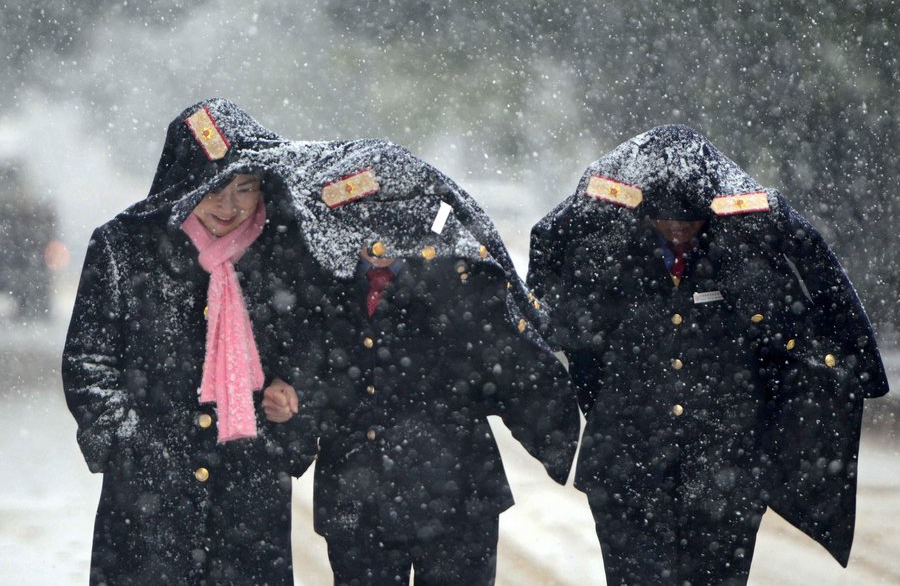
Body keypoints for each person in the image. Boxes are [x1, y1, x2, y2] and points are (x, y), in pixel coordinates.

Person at [528, 124, 889, 585]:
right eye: (666, 218)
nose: (678, 229)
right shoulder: (607, 262)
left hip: (727, 470)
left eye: (691, 219)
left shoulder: (747, 259)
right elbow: (573, 341)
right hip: (628, 470)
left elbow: (798, 330)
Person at [267, 140, 580, 585]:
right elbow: (303, 376)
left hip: (457, 500)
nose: (376, 243)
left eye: (389, 225)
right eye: (361, 225)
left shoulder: (460, 283)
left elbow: (513, 367)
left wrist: (560, 436)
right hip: (356, 505)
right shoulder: (317, 289)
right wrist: (290, 411)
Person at [62, 99, 323, 585]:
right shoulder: (124, 247)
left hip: (248, 491)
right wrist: (131, 447)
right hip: (148, 497)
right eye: (214, 189)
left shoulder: (279, 251)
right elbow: (88, 361)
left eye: (246, 188)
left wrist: (291, 403)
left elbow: (311, 349)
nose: (231, 207)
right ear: (183, 185)